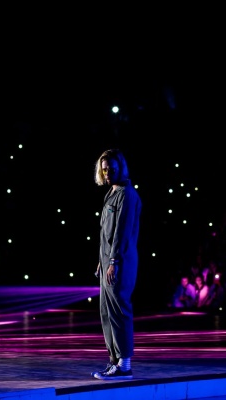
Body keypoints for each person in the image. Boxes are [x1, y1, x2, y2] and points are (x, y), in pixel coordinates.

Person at [91, 149, 142, 381]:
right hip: (108, 261)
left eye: (112, 169)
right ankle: (115, 362)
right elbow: (106, 233)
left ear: (121, 167)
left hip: (120, 262)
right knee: (107, 311)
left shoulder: (127, 195)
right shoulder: (111, 193)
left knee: (119, 311)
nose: (108, 173)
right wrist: (102, 261)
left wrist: (113, 262)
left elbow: (122, 233)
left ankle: (125, 365)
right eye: (104, 169)